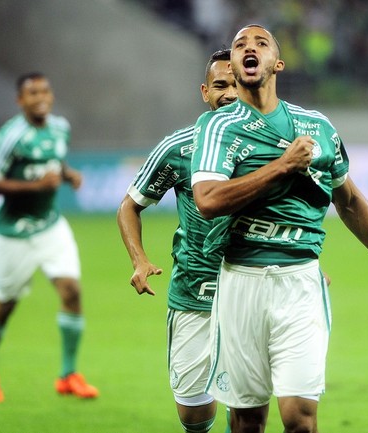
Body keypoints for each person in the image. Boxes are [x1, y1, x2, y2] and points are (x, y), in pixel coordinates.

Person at [190, 25, 368, 433]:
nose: (249, 48)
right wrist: (282, 166)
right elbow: (207, 200)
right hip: (241, 281)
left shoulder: (317, 127)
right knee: (246, 422)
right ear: (235, 66)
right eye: (241, 44)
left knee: (300, 419)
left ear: (277, 63)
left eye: (260, 43)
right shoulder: (218, 127)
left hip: (300, 284)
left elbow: (348, 200)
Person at [117, 50, 237, 433]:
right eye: (221, 85)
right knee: (193, 413)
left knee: (249, 408)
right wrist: (139, 259)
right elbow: (129, 206)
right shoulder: (180, 147)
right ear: (205, 91)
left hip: (251, 289)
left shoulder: (270, 145)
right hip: (193, 294)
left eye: (236, 83)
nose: (230, 93)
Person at [0, 72, 98, 403]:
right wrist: (36, 187)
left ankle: (68, 374)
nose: (41, 97)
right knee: (6, 304)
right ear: (20, 100)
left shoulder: (60, 127)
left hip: (50, 225)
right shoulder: (11, 136)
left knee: (72, 290)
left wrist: (67, 174)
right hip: (14, 233)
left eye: (45, 90)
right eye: (32, 93)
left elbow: (54, 161)